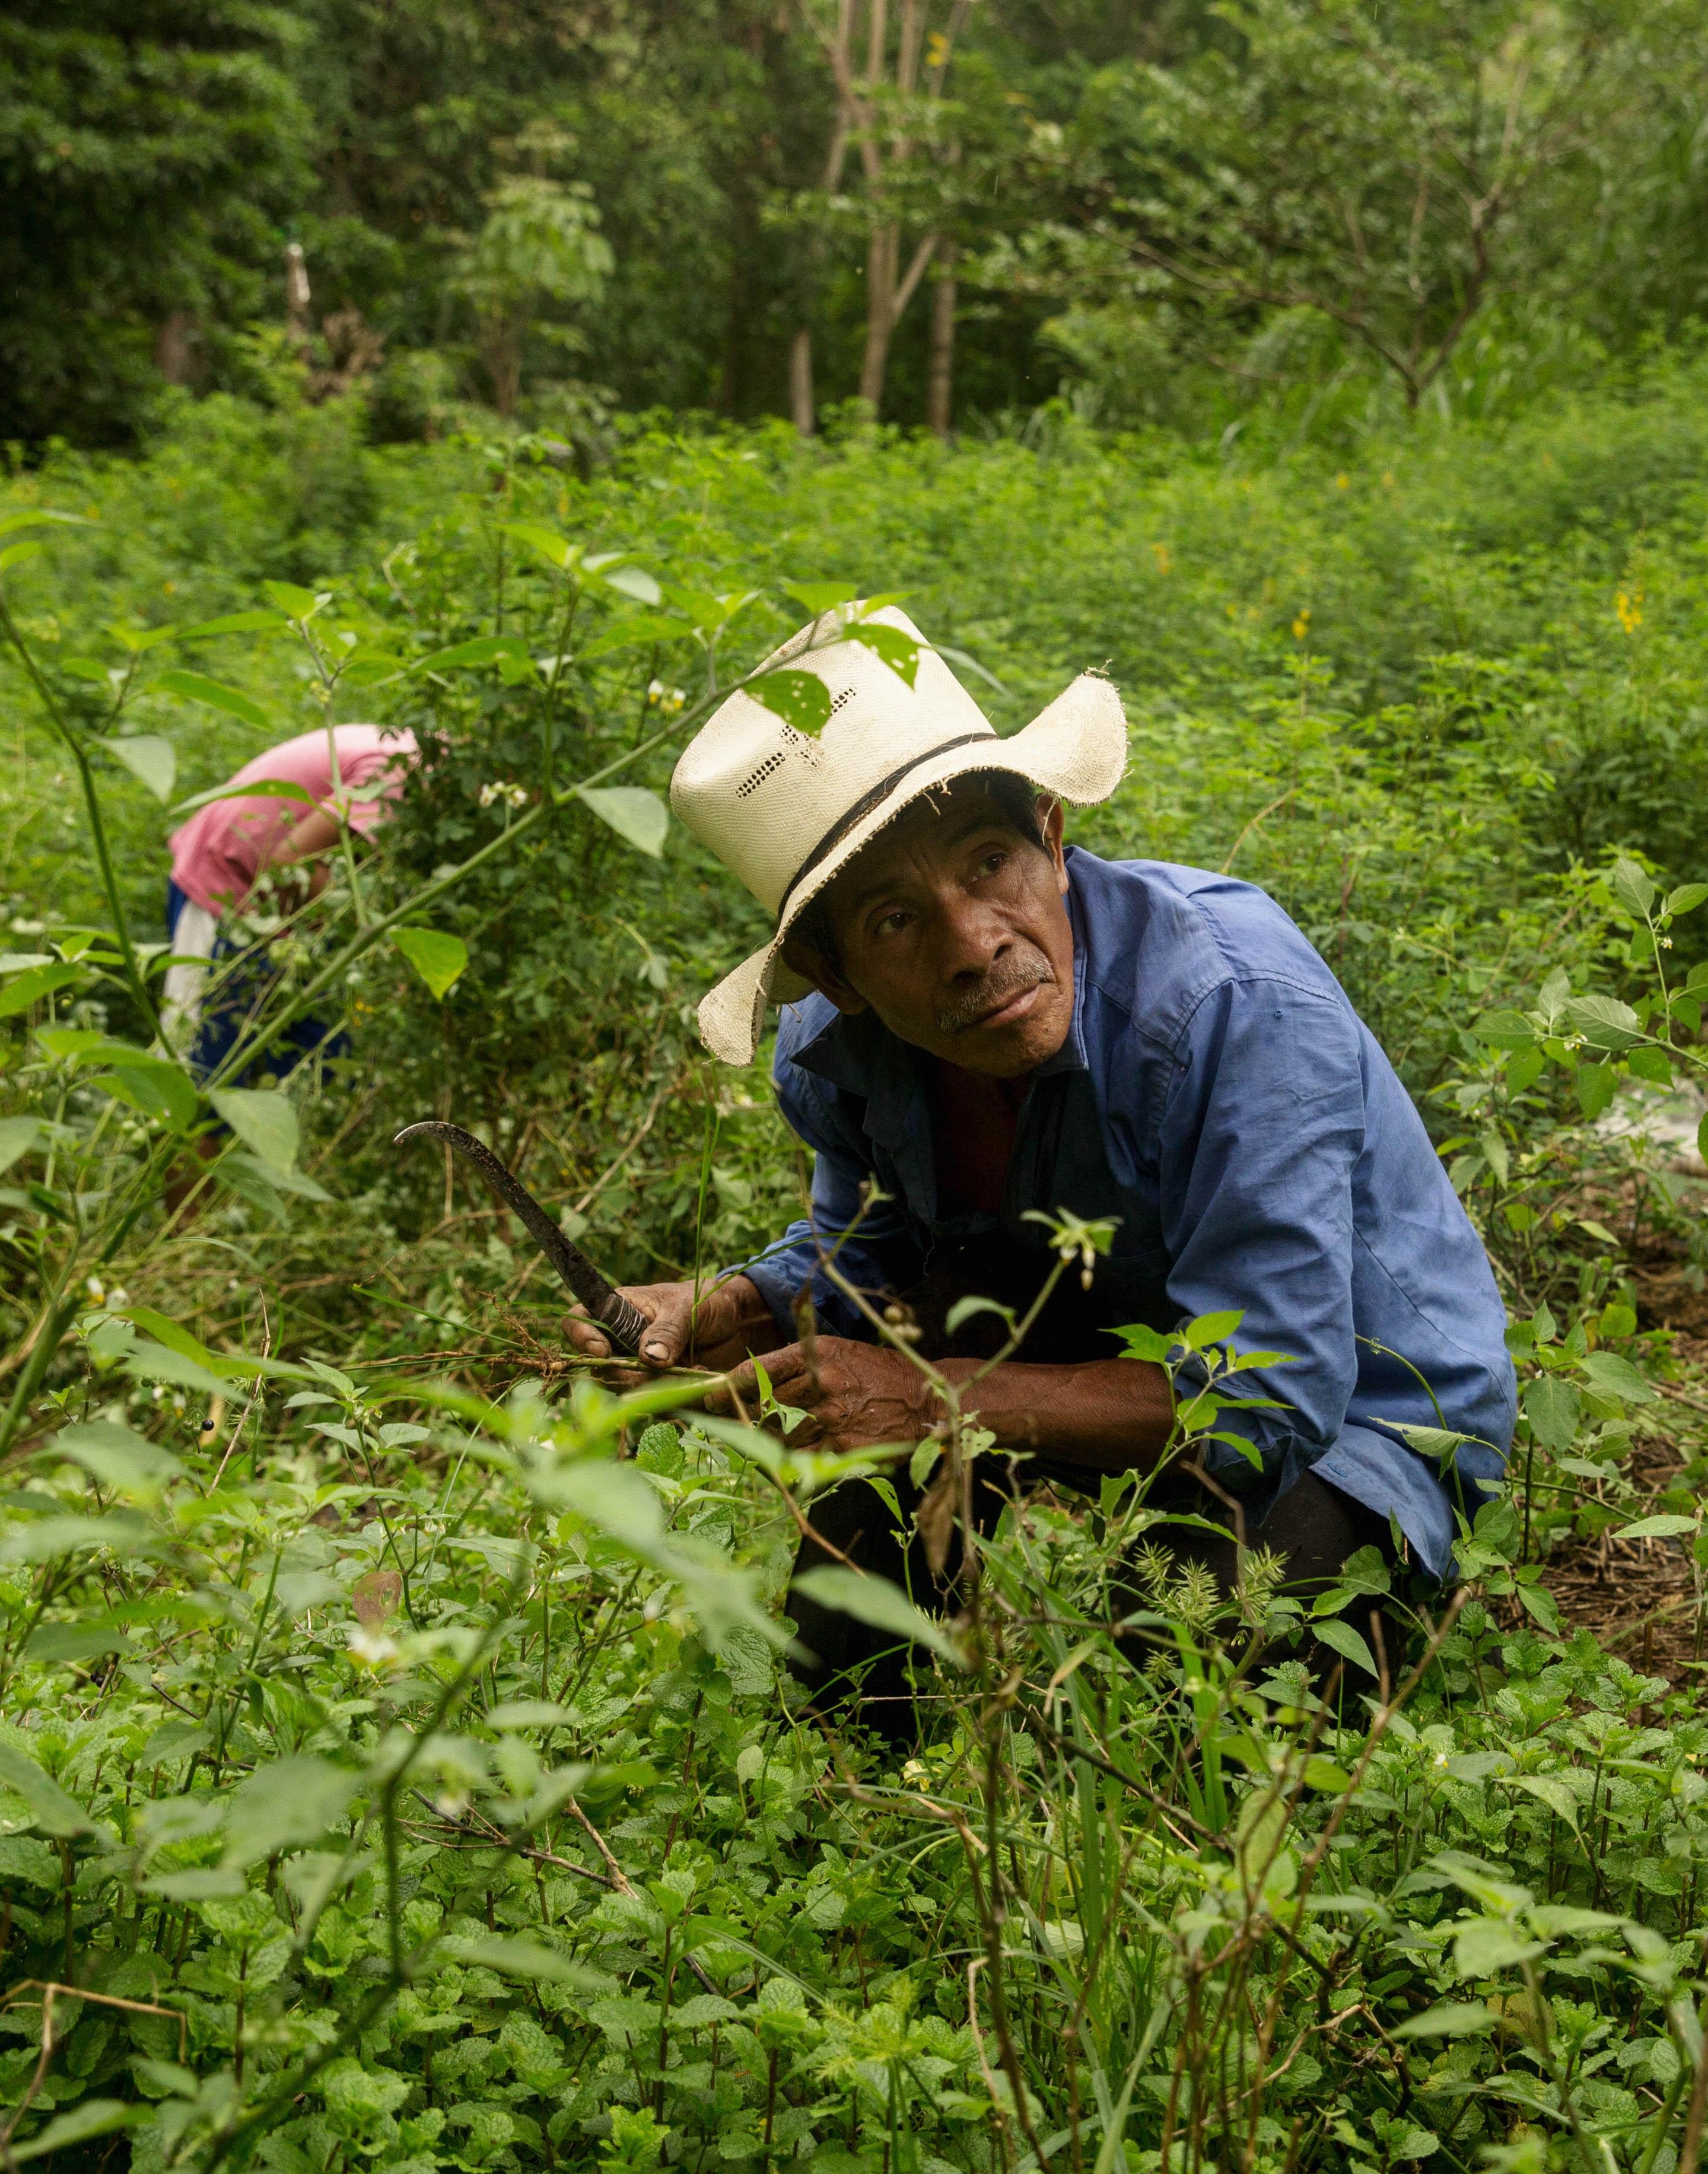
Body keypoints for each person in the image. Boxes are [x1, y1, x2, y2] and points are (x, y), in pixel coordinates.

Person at [570, 606, 1512, 1736]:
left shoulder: (1232, 1006)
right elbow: (868, 1260)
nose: (974, 945)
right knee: (843, 1567)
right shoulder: (835, 1055)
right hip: (1093, 1342)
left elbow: (1264, 1401)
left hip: (1361, 1416)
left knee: (1199, 1637)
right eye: (894, 918)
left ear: (1054, 838)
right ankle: (866, 1765)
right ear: (834, 973)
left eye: (991, 862)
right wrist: (735, 1307)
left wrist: (930, 1398)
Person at [163, 724, 417, 1080]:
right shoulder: (408, 769)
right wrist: (373, 949)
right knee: (200, 1074)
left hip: (294, 920)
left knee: (320, 1063)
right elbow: (289, 861)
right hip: (228, 886)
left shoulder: (417, 754)